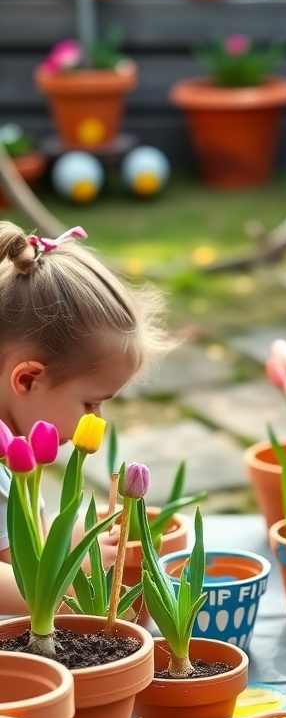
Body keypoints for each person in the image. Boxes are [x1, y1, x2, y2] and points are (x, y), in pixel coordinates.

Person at [0, 221, 170, 617]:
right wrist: (75, 563)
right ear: (27, 379)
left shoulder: (15, 460)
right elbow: (14, 581)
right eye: (91, 403)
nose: (96, 419)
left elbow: (26, 549)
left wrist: (75, 540)